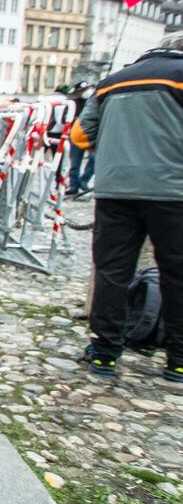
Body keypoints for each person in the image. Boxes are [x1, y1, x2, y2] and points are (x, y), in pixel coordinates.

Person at [73, 32, 183, 382]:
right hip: (173, 189)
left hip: (115, 189)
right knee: (177, 273)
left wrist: (114, 153)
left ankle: (105, 352)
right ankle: (178, 359)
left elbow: (80, 135)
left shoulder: (111, 82)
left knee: (112, 271)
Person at [66, 84, 96, 196]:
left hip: (91, 136)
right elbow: (66, 118)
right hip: (75, 135)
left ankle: (84, 181)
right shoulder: (73, 103)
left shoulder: (95, 101)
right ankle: (74, 185)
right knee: (75, 162)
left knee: (94, 160)